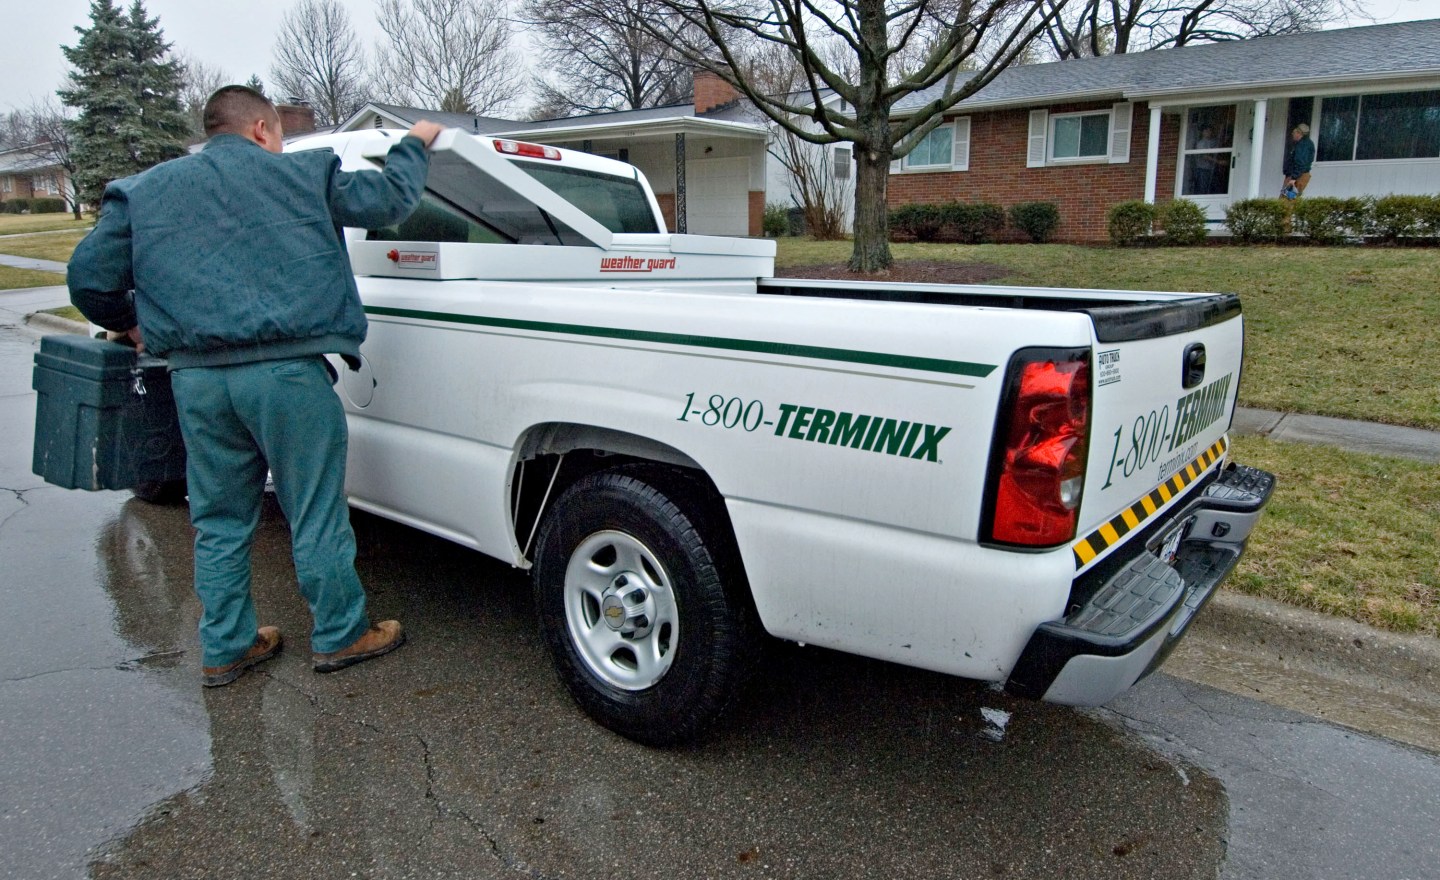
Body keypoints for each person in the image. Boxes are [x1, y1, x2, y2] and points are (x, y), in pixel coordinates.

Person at [68, 85, 444, 687]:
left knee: (218, 519)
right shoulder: (304, 173)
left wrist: (131, 323)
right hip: (287, 376)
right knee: (314, 510)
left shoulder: (143, 191)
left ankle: (226, 646)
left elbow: (89, 278)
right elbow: (389, 200)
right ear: (263, 129)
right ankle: (341, 634)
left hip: (197, 381)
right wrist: (414, 143)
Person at [1282, 123, 1315, 199]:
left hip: (1298, 176)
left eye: (1294, 132)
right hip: (1298, 175)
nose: (1292, 134)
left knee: (1287, 200)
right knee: (1290, 199)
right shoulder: (1306, 143)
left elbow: (1301, 163)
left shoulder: (1303, 145)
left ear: (1299, 133)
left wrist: (1293, 178)